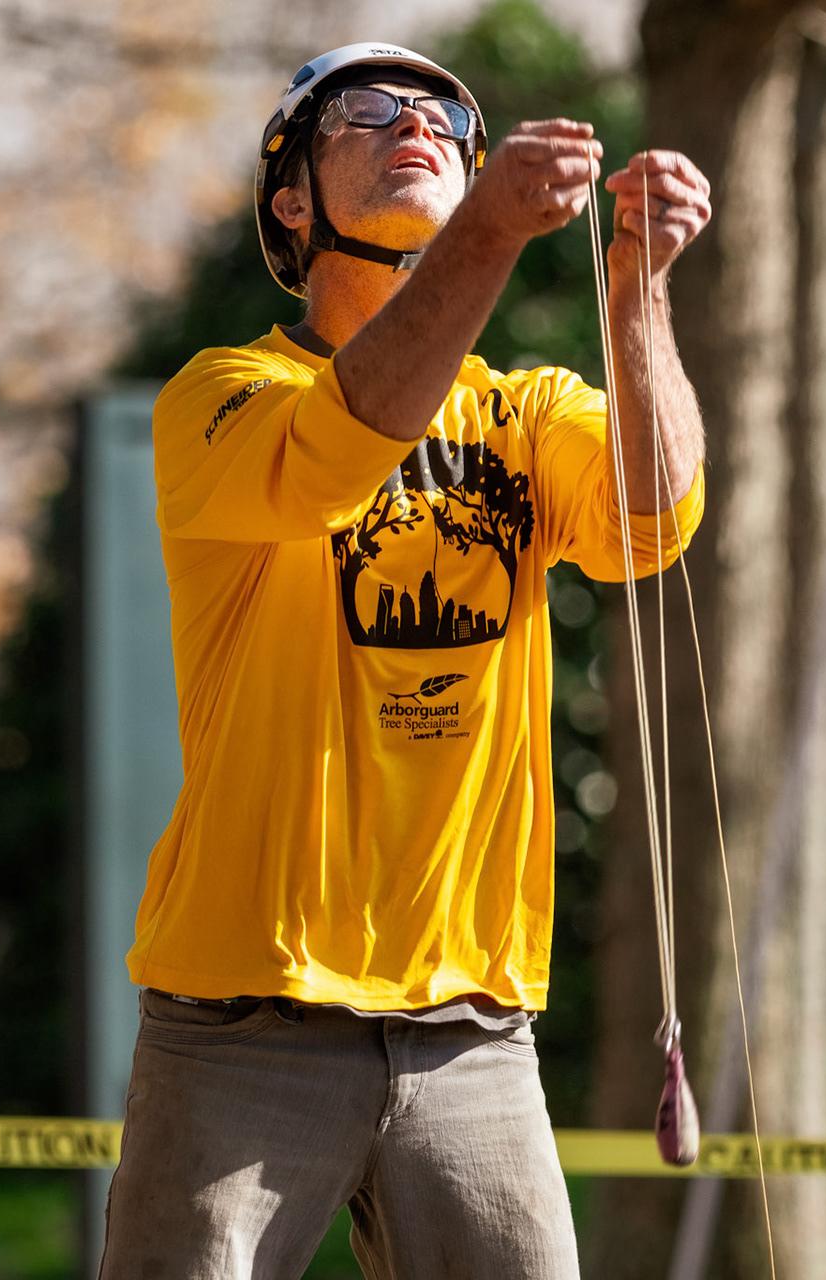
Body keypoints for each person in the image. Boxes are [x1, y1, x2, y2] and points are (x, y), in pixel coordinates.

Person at [97, 41, 712, 1279]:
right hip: (240, 1023)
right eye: (365, 116)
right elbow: (337, 445)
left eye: (442, 117)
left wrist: (636, 286)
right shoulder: (220, 397)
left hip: (474, 1031)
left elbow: (653, 513)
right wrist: (485, 236)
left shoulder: (529, 412)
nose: (416, 124)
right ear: (292, 200)